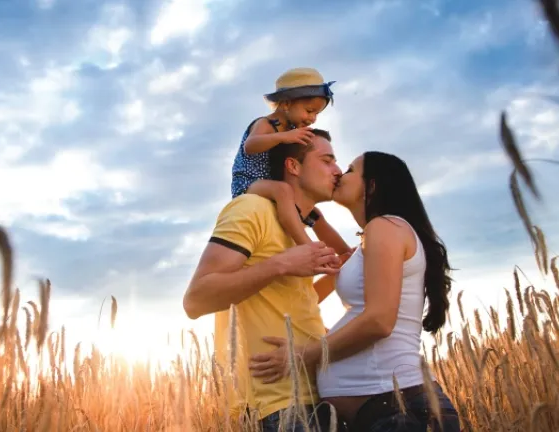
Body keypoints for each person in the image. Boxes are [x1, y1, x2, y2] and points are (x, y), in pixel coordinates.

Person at [249, 151, 462, 431]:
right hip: (385, 409)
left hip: (398, 410)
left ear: (371, 185)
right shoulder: (375, 236)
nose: (339, 173)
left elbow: (378, 321)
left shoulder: (384, 227)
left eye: (349, 169)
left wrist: (303, 355)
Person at [183, 129, 350, 431]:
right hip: (280, 406)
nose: (337, 170)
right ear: (293, 166)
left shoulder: (300, 227)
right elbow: (196, 300)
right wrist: (282, 263)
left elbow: (287, 298)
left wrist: (335, 272)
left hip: (326, 394)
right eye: (327, 161)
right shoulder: (252, 208)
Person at [230, 67, 351, 257]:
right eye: (309, 111)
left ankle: (347, 254)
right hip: (249, 184)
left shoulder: (292, 128)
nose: (312, 118)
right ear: (286, 104)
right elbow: (251, 145)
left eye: (316, 114)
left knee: (315, 215)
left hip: (272, 183)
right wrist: (284, 137)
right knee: (283, 191)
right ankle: (308, 248)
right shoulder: (267, 124)